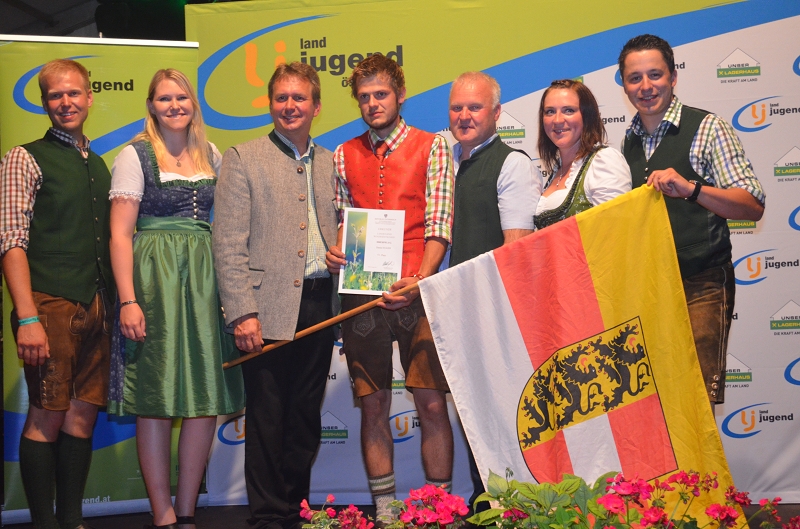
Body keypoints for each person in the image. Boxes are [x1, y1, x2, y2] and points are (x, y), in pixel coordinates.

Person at [108, 68, 244, 529]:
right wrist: (128, 300)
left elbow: (228, 224)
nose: (174, 106)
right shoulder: (135, 155)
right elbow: (120, 234)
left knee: (204, 392)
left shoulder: (212, 153)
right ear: (151, 105)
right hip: (154, 277)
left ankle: (187, 509)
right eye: (164, 99)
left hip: (204, 278)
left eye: (181, 98)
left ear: (193, 104)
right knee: (156, 393)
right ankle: (162, 512)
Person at [325, 53, 455, 524]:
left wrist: (420, 279)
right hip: (362, 296)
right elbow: (345, 222)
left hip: (420, 290)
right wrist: (337, 251)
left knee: (431, 402)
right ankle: (385, 511)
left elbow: (440, 224)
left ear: (400, 95)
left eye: (381, 94)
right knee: (373, 403)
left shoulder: (433, 146)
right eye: (364, 97)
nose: (373, 104)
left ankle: (438, 510)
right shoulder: (343, 153)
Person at [213, 62, 338, 529]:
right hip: (264, 309)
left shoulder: (332, 162)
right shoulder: (242, 158)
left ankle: (295, 510)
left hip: (321, 304)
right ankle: (267, 516)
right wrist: (242, 312)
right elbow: (227, 243)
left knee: (305, 415)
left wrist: (342, 252)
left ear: (316, 106)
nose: (289, 106)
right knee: (267, 416)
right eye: (281, 98)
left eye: (299, 98)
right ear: (270, 104)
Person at [618, 34, 765, 404]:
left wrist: (692, 189)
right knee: (655, 405)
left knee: (695, 403)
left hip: (702, 284)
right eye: (635, 78)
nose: (646, 86)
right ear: (624, 85)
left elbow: (752, 205)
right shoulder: (627, 142)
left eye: (655, 74)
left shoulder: (709, 128)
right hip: (650, 290)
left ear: (673, 77)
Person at [0, 58, 113, 529]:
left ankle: (71, 521)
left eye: (73, 93)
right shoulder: (23, 157)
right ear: (45, 103)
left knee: (81, 418)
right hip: (47, 304)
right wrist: (27, 317)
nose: (65, 102)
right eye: (55, 95)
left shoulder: (99, 163)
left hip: (96, 305)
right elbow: (11, 241)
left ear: (89, 97)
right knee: (46, 416)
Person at [446, 71, 540, 520]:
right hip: (452, 311)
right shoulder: (444, 162)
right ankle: (486, 502)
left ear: (497, 112)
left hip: (494, 313)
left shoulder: (512, 164)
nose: (464, 116)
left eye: (475, 107)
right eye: (457, 107)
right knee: (473, 413)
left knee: (502, 414)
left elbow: (516, 250)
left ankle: (510, 508)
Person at [534, 79, 631, 229]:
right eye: (550, 112)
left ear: (587, 116)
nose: (557, 120)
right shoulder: (557, 171)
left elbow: (614, 232)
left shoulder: (604, 161)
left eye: (568, 110)